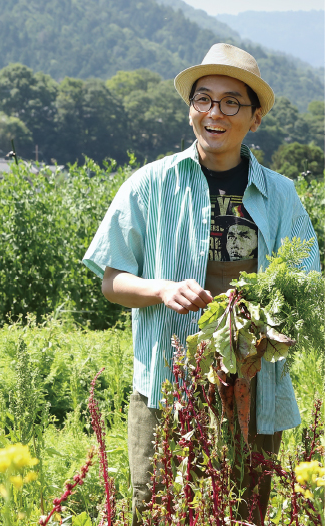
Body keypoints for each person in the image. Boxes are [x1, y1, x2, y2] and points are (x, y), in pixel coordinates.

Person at [83, 43, 320, 525]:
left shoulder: (281, 194)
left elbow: (306, 283)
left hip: (254, 387)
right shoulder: (150, 184)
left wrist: (267, 315)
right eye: (204, 99)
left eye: (232, 102)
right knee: (157, 509)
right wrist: (162, 290)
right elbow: (112, 280)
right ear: (191, 109)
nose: (215, 112)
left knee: (244, 510)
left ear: (254, 118)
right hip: (167, 386)